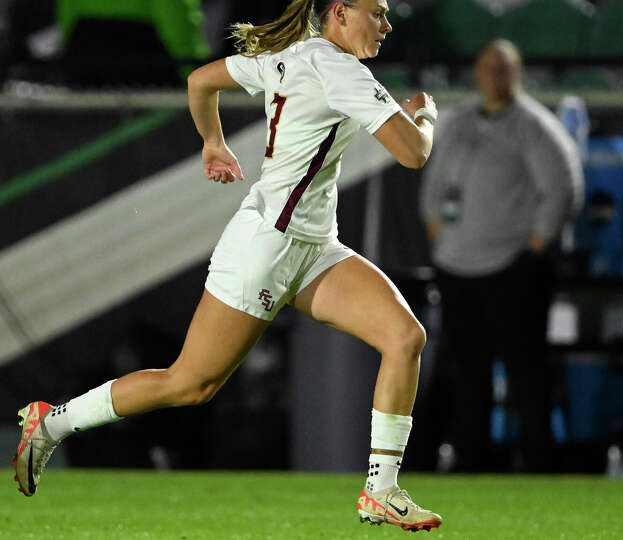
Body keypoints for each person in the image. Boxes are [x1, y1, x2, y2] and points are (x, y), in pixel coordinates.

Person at [14, 0, 443, 531]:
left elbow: (200, 80)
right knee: (189, 384)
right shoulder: (338, 68)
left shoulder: (294, 54)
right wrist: (423, 114)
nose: (386, 23)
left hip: (313, 246)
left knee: (405, 338)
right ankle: (51, 424)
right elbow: (414, 153)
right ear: (340, 12)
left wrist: (213, 142)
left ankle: (381, 490)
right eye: (376, 13)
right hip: (265, 248)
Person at [417, 39, 583, 472]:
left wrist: (535, 245)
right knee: (466, 374)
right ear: (476, 72)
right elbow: (432, 184)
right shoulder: (457, 123)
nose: (495, 75)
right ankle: (470, 466)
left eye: (504, 68)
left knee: (525, 372)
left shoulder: (535, 126)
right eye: (488, 66)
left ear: (517, 73)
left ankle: (538, 468)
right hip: (457, 268)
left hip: (513, 269)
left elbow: (563, 188)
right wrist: (439, 232)